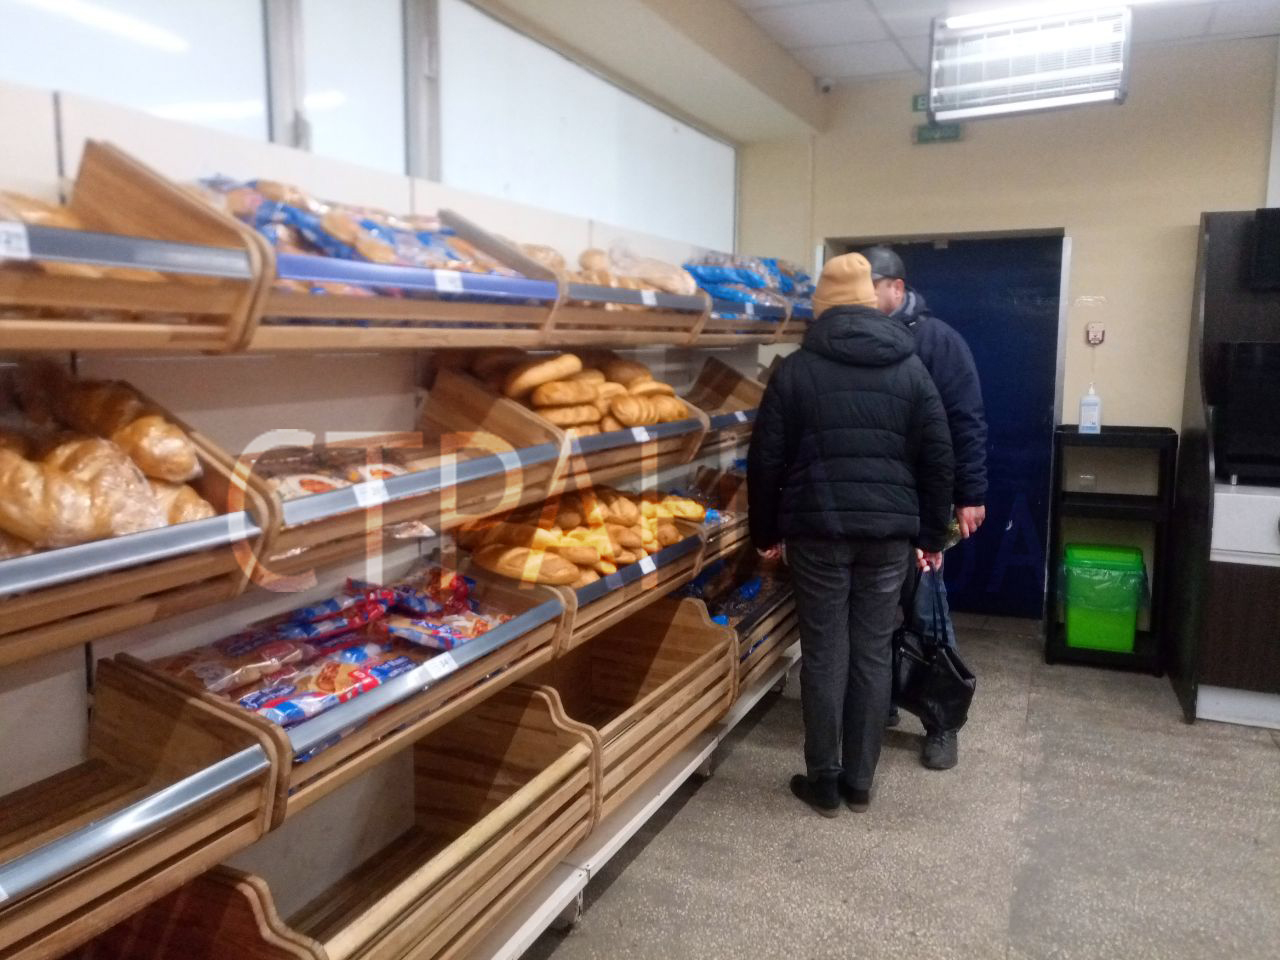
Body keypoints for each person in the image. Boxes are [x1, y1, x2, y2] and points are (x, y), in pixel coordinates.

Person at [748, 252, 954, 817]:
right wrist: (931, 537)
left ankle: (824, 780)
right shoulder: (910, 368)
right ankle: (860, 780)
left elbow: (766, 459)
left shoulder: (795, 370)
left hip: (817, 531)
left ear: (822, 309)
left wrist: (765, 530)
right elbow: (939, 458)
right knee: (872, 651)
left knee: (823, 653)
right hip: (888, 537)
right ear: (870, 301)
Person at [861, 245, 989, 772]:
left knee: (926, 611)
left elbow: (966, 420)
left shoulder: (939, 342)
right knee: (877, 614)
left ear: (897, 287)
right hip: (875, 501)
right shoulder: (862, 338)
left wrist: (971, 493)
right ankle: (884, 700)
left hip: (925, 502)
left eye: (870, 288)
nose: (861, 298)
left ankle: (942, 723)